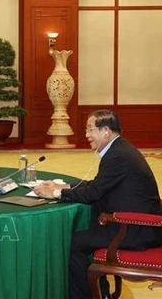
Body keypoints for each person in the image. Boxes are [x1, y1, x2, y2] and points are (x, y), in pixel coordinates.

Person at [34, 109, 162, 299]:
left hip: (136, 230)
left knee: (74, 242)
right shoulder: (120, 149)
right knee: (85, 233)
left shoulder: (117, 156)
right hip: (134, 225)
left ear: (106, 131)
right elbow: (99, 184)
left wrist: (54, 192)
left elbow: (93, 193)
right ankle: (99, 291)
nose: (86, 135)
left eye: (90, 129)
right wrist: (64, 185)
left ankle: (88, 295)